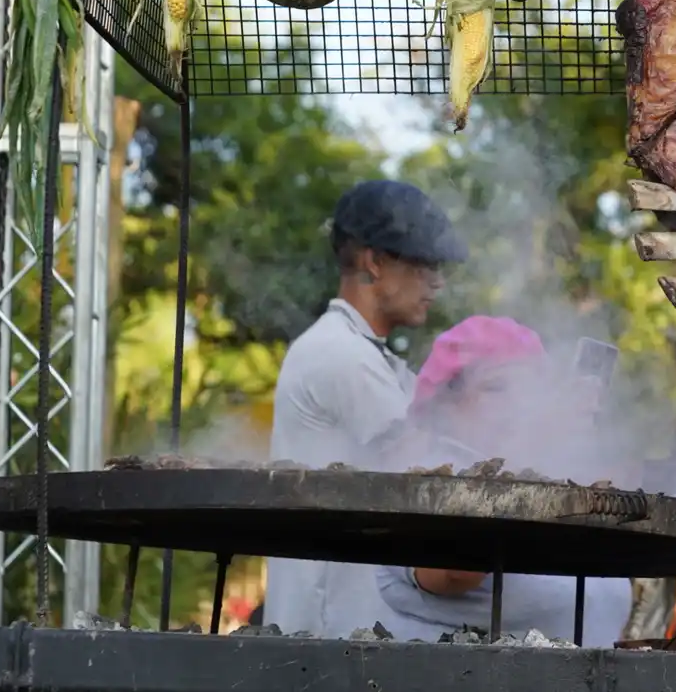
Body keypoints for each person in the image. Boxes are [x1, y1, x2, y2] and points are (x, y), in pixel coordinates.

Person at [264, 179, 469, 639]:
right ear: (374, 262)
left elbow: (453, 425)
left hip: (348, 635)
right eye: (422, 263)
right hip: (322, 635)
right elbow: (431, 461)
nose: (436, 281)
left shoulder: (372, 356)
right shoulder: (339, 353)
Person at [373, 316, 632, 646]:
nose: (520, 404)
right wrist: (540, 437)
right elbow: (455, 571)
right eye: (497, 387)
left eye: (531, 388)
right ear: (445, 404)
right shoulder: (427, 475)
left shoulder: (543, 476)